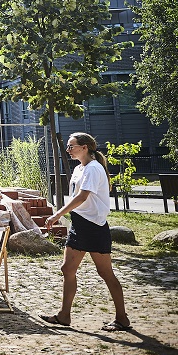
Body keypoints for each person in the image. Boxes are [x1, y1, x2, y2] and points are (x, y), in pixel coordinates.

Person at [41, 132, 130, 332]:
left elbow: (82, 197)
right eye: (69, 147)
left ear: (85, 147)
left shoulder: (93, 168)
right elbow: (78, 198)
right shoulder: (79, 169)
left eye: (72, 146)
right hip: (80, 224)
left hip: (94, 227)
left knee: (105, 273)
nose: (68, 149)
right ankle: (64, 315)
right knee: (67, 269)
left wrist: (57, 215)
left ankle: (122, 318)